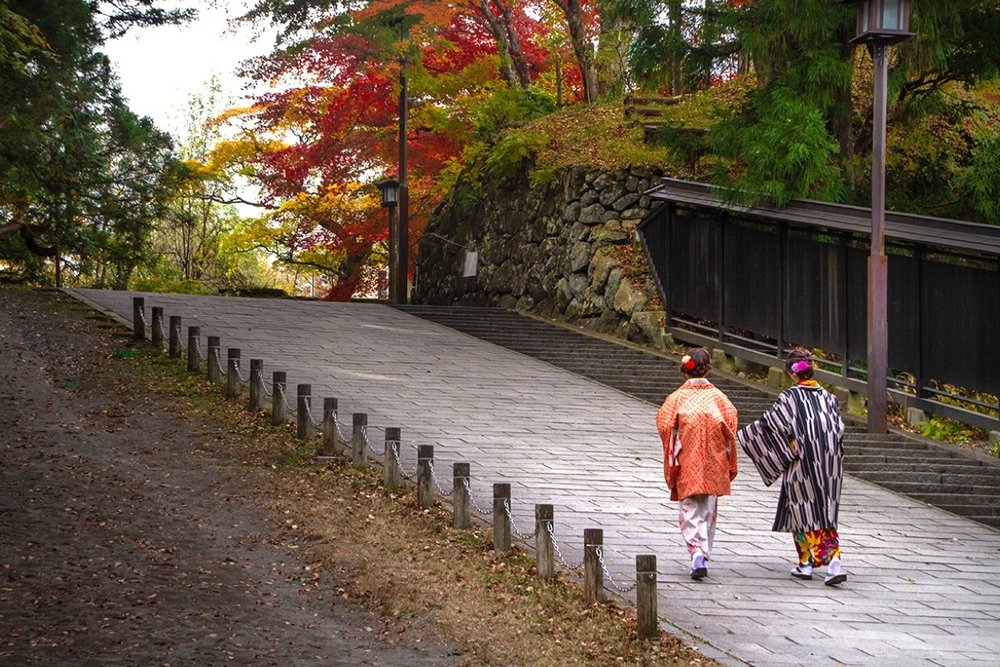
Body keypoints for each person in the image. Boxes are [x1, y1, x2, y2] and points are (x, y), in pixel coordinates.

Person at [737, 347, 847, 586]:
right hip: (829, 463)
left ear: (791, 373)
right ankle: (805, 562)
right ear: (813, 369)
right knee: (816, 509)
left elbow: (771, 425)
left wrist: (746, 436)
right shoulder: (830, 398)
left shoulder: (789, 398)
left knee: (807, 509)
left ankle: (833, 560)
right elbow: (839, 429)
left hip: (804, 460)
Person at [656, 348, 738, 580]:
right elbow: (731, 423)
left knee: (690, 506)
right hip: (714, 459)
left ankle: (696, 552)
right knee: (708, 509)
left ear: (684, 370)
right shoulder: (720, 399)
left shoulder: (677, 399)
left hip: (686, 459)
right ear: (708, 368)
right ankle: (703, 552)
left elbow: (663, 423)